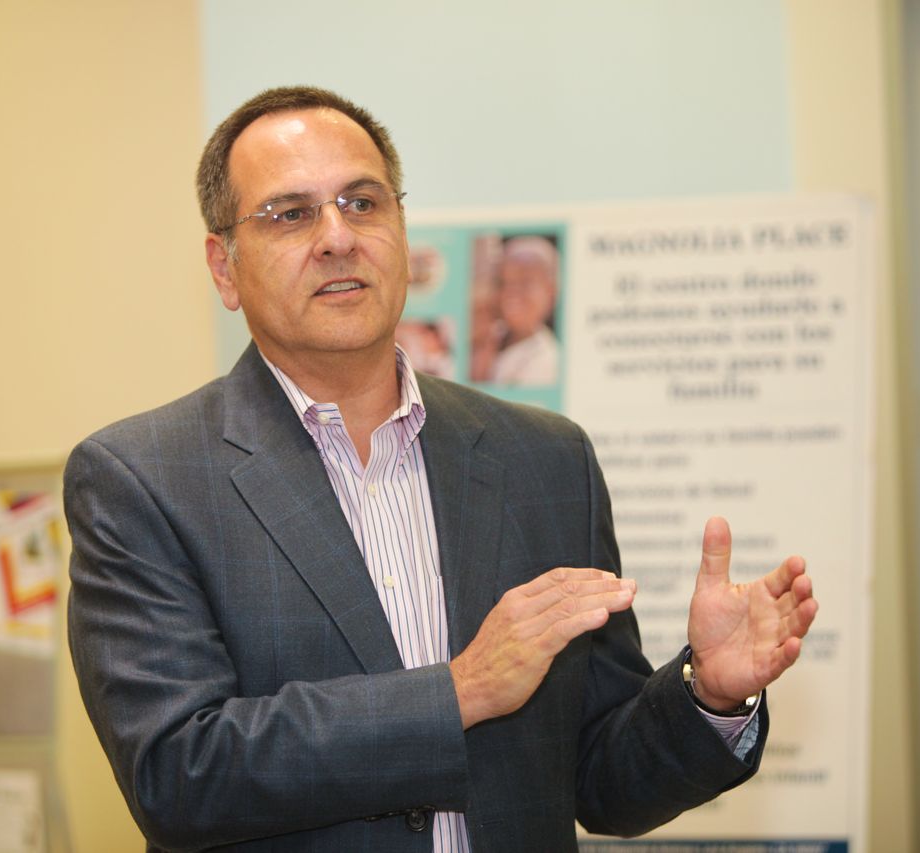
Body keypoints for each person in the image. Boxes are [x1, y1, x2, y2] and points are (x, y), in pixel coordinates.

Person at [65, 86, 818, 853]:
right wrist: (460, 692)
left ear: (399, 228)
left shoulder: (546, 459)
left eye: (362, 203)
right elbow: (178, 773)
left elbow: (601, 778)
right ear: (224, 268)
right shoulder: (144, 479)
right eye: (290, 214)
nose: (337, 237)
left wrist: (707, 693)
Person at [490, 235, 561, 385]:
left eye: (525, 282)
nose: (511, 292)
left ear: (551, 292)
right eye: (505, 282)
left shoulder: (547, 359)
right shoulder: (489, 334)